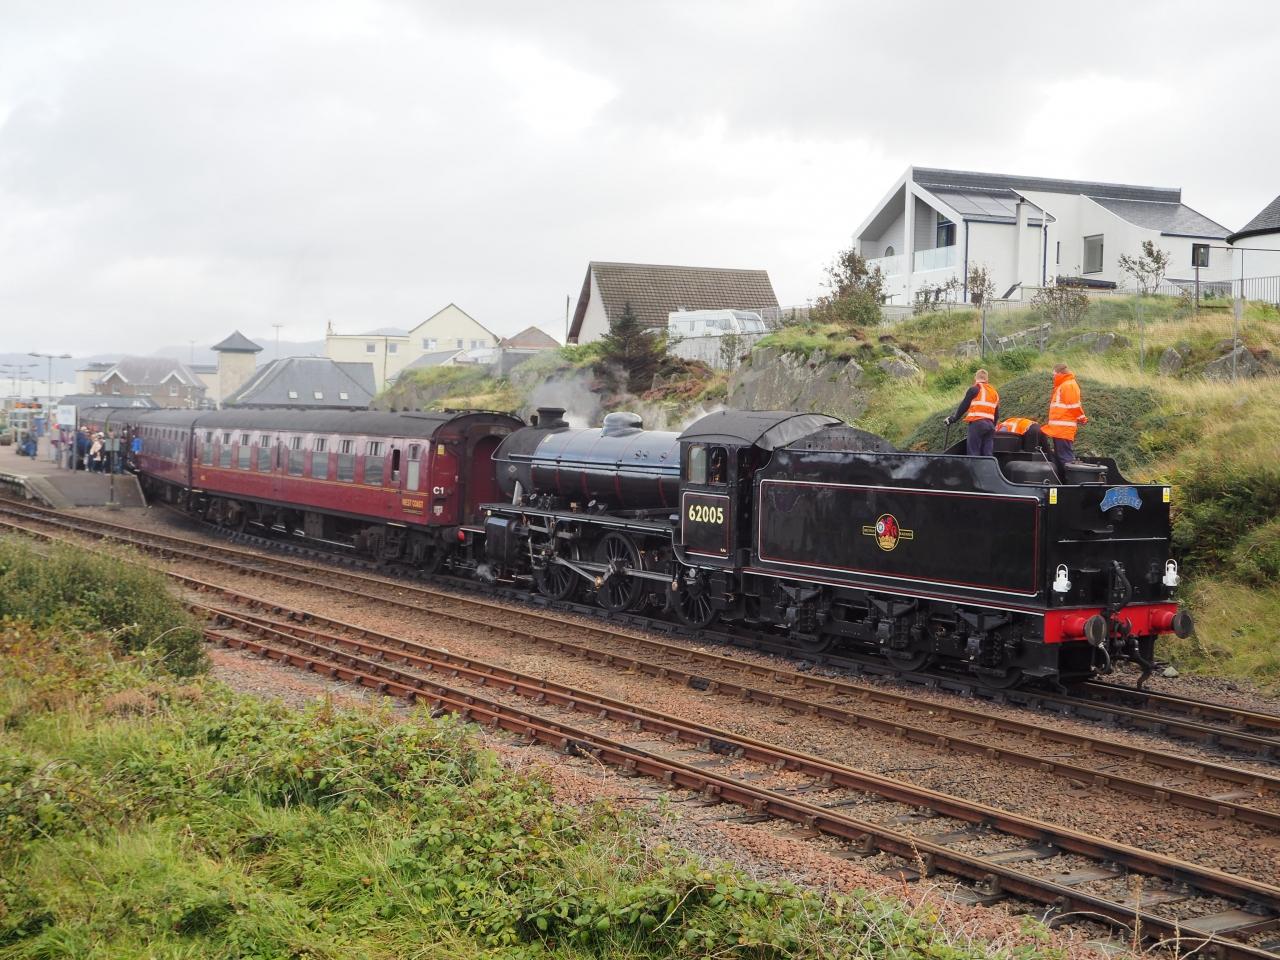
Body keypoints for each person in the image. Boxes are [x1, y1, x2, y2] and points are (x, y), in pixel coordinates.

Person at [1042, 363, 1088, 476]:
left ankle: (1073, 480)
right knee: (1061, 456)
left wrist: (1082, 418)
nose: (1053, 377)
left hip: (1063, 429)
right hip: (1059, 429)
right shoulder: (1064, 385)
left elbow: (1074, 405)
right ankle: (1065, 479)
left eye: (1054, 374)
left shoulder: (1068, 385)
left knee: (1065, 457)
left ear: (1060, 373)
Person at [944, 369, 999, 456]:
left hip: (977, 424)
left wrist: (953, 419)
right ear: (987, 379)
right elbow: (996, 415)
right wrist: (993, 426)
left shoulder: (975, 389)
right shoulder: (994, 393)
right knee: (988, 454)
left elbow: (964, 406)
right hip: (990, 426)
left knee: (973, 453)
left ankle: (974, 465)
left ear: (975, 378)